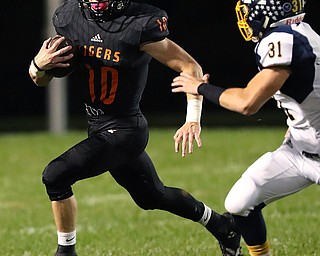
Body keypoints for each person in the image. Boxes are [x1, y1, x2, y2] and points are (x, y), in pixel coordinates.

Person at [28, 0, 242, 255]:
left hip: (126, 130)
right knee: (153, 197)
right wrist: (37, 65)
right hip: (97, 126)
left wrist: (192, 118)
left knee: (56, 175)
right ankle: (223, 226)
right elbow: (40, 80)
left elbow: (190, 66)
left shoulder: (139, 24)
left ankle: (66, 252)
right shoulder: (69, 17)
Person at [171, 0, 320, 255]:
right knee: (239, 202)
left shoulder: (284, 41)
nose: (247, 15)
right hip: (299, 148)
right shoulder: (299, 33)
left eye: (251, 8)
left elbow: (247, 103)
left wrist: (199, 88)